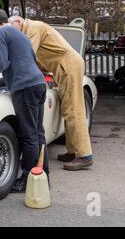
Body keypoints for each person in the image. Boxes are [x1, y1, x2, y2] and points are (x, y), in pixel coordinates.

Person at [9, 15, 93, 171]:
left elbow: (28, 56)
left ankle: (84, 155)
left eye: (11, 29)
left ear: (18, 22)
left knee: (73, 110)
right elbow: (39, 58)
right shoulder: (33, 28)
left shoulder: (33, 28)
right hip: (66, 66)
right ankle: (72, 151)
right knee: (68, 109)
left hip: (68, 66)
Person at [0, 9, 48, 193]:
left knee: (28, 134)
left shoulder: (0, 33)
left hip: (25, 89)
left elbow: (3, 63)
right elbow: (23, 63)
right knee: (38, 132)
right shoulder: (19, 34)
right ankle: (42, 174)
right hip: (38, 84)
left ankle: (27, 177)